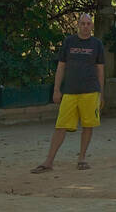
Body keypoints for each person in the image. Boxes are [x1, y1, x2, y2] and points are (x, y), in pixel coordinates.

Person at [32, 13, 105, 173]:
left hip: (90, 91)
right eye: (83, 23)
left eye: (88, 23)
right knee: (61, 125)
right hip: (70, 91)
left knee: (88, 125)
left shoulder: (97, 44)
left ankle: (82, 158)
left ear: (92, 26)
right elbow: (61, 66)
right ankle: (49, 161)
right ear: (78, 25)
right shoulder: (69, 42)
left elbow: (100, 70)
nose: (86, 26)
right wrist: (57, 89)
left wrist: (101, 94)